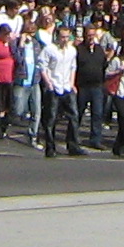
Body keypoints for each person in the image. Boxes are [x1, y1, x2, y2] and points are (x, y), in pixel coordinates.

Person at [37, 23, 81, 157]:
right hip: (54, 86)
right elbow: (42, 66)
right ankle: (50, 147)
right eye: (62, 37)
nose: (65, 40)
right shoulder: (49, 49)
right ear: (57, 36)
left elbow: (73, 66)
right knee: (51, 118)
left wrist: (72, 83)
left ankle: (73, 145)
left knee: (74, 116)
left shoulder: (72, 50)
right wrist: (48, 82)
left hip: (66, 86)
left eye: (67, 37)